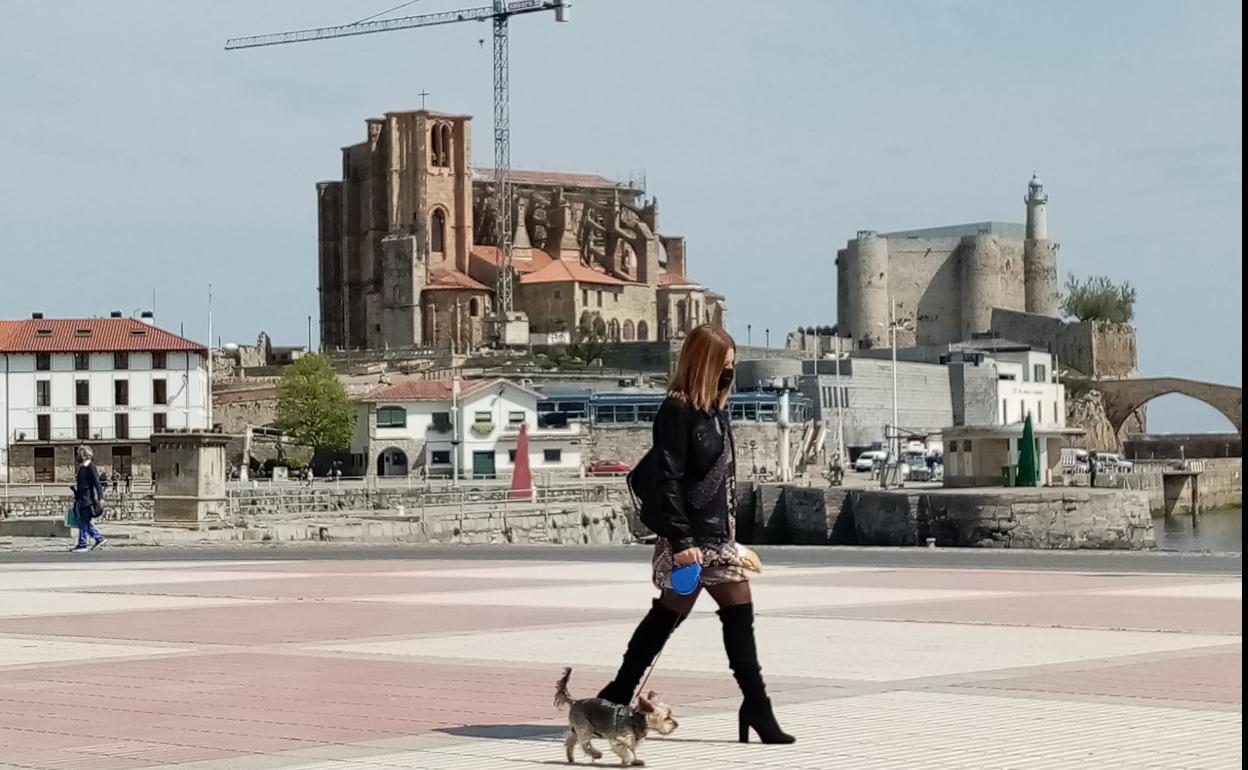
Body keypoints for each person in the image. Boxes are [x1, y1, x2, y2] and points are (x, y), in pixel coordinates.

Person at [596, 323, 795, 745]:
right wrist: (683, 543)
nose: (730, 374)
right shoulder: (678, 411)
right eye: (724, 367)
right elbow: (667, 480)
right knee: (671, 617)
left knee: (724, 616)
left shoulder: (715, 412)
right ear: (703, 365)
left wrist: (729, 538)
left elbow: (717, 484)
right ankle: (617, 695)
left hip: (717, 541)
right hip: (687, 541)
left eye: (733, 368)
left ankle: (755, 705)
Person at [71, 445, 107, 552]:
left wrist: (101, 498)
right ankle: (98, 538)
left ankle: (83, 544)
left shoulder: (90, 466)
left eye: (80, 453)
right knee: (84, 521)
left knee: (83, 521)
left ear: (84, 455)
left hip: (87, 499)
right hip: (81, 498)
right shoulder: (81, 467)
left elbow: (97, 483)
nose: (78, 456)